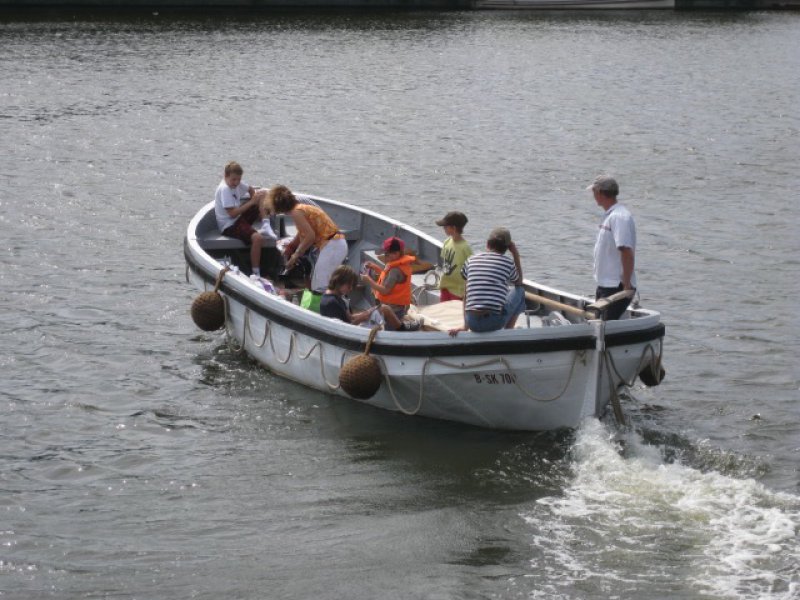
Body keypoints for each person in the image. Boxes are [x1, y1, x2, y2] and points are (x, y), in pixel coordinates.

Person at [269, 184, 348, 294]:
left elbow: (310, 236)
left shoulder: (296, 212)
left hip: (333, 246)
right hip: (335, 244)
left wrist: (295, 255)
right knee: (321, 282)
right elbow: (303, 235)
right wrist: (292, 248)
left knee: (320, 285)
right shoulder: (300, 209)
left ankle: (322, 308)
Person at [449, 227, 525, 336]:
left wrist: (465, 326)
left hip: (472, 322)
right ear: (507, 248)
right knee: (520, 291)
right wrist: (515, 254)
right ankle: (508, 333)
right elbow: (519, 282)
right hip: (493, 323)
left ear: (487, 244)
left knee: (469, 285)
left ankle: (466, 325)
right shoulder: (508, 263)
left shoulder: (471, 260)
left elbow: (466, 294)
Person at [588, 175, 636, 320]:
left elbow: (626, 251)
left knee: (604, 328)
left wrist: (627, 284)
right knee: (599, 323)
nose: (593, 195)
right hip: (605, 284)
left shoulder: (619, 217)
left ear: (601, 193)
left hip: (616, 286)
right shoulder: (609, 215)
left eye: (594, 192)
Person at [214, 161, 265, 277]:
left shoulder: (237, 184)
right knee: (258, 238)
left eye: (238, 179)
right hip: (229, 225)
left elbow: (251, 189)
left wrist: (255, 200)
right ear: (225, 176)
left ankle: (266, 224)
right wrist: (252, 202)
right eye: (233, 179)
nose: (236, 183)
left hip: (238, 219)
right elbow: (232, 214)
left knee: (263, 195)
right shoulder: (225, 189)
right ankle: (256, 273)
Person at [361, 237, 420, 332]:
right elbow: (387, 278)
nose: (385, 257)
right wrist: (375, 267)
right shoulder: (394, 265)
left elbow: (385, 290)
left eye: (387, 255)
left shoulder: (395, 270)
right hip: (393, 306)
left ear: (396, 254)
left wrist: (368, 280)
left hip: (394, 309)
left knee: (390, 331)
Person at [435, 211, 473, 302]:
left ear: (454, 228)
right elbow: (445, 263)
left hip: (458, 291)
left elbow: (471, 270)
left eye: (445, 227)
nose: (443, 229)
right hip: (445, 286)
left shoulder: (465, 248)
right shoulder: (447, 242)